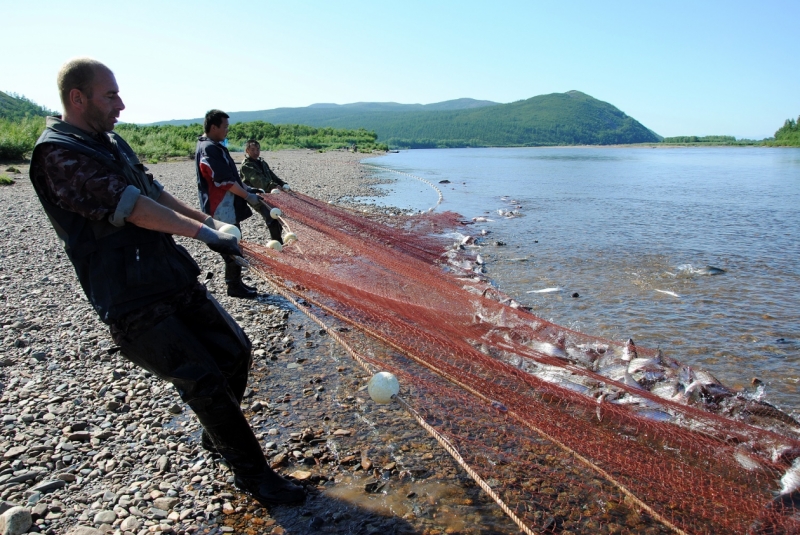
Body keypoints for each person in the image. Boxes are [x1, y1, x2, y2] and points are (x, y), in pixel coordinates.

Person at [28, 58, 305, 507]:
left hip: (168, 274)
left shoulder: (110, 141)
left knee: (235, 351)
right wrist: (204, 235)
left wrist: (209, 221)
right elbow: (131, 205)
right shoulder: (59, 154)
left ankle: (217, 436)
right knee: (201, 379)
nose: (121, 104)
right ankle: (257, 478)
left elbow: (152, 190)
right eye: (110, 95)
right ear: (77, 99)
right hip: (129, 298)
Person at [195, 112, 283, 299]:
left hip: (228, 205)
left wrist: (249, 190)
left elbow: (233, 178)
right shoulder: (209, 149)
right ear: (213, 127)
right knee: (230, 244)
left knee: (234, 241)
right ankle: (233, 286)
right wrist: (247, 196)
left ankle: (236, 282)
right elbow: (223, 181)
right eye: (225, 127)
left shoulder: (216, 147)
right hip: (220, 206)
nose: (227, 130)